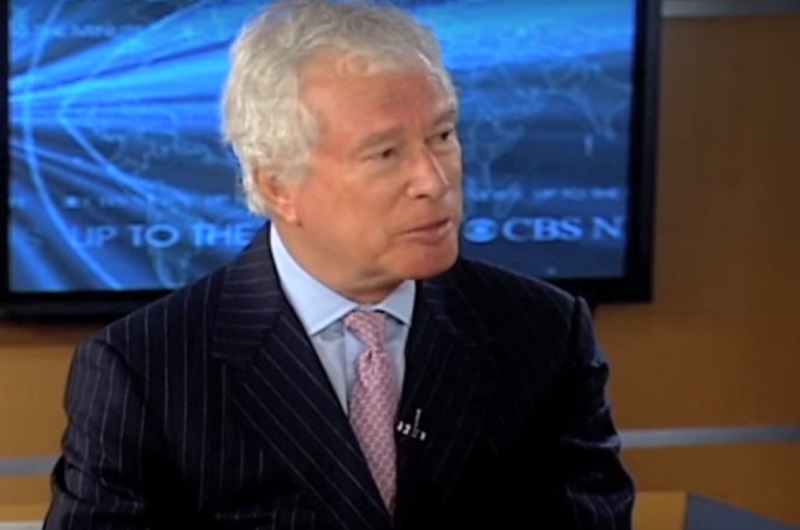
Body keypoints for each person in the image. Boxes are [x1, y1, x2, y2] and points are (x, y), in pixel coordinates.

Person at [44, 0, 635, 528]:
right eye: (386, 153)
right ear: (278, 186)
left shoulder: (544, 332)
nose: (434, 181)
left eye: (442, 135)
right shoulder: (146, 371)